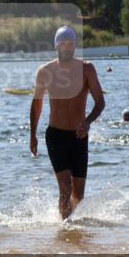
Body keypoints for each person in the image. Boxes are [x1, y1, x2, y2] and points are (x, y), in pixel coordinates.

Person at [29, 26, 105, 219]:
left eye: (70, 44)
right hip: (56, 135)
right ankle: (65, 230)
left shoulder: (87, 69)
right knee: (65, 187)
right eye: (62, 44)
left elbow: (100, 103)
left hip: (79, 136)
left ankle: (71, 227)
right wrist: (32, 136)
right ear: (56, 45)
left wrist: (87, 122)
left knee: (78, 194)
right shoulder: (45, 71)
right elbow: (36, 105)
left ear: (74, 46)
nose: (66, 47)